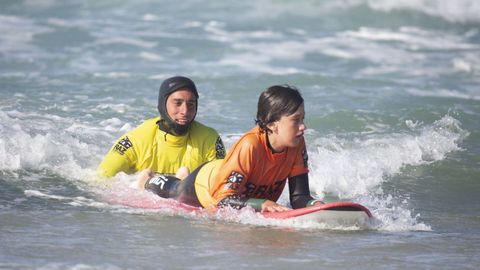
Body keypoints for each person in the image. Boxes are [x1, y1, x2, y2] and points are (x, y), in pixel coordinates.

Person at [138, 84, 322, 212]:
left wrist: (315, 205)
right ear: (273, 124)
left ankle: (182, 174)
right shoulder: (251, 146)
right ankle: (148, 180)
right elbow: (223, 200)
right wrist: (262, 204)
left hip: (226, 171)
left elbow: (299, 197)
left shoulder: (296, 144)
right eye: (296, 120)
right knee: (175, 190)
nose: (303, 126)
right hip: (206, 184)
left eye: (303, 118)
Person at [97, 76, 226, 180]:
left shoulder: (210, 139)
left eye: (191, 104)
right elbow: (101, 180)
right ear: (163, 104)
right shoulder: (136, 140)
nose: (185, 111)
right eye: (177, 103)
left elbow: (222, 181)